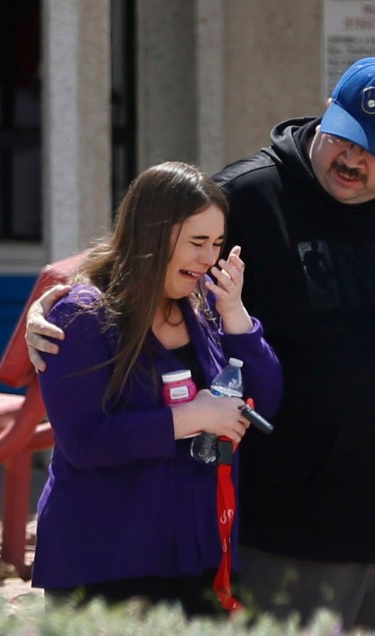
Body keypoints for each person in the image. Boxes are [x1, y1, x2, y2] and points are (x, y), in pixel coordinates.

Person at [27, 58, 375, 632]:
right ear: (328, 112)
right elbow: (154, 244)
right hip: (293, 541)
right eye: (344, 136)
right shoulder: (249, 195)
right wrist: (55, 300)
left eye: (373, 148)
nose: (351, 158)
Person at [30, 161, 283, 617]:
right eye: (197, 243)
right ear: (152, 235)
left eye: (218, 244)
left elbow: (265, 401)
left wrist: (237, 317)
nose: (210, 259)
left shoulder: (202, 305)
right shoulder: (81, 316)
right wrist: (191, 418)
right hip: (105, 561)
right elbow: (83, 442)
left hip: (197, 555)